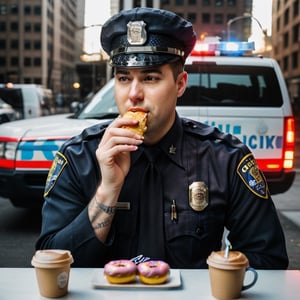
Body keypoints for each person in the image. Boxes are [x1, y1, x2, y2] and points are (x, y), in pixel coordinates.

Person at [36, 7, 289, 269]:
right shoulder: (79, 157)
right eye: (124, 78)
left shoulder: (225, 158)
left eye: (150, 78)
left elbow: (268, 259)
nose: (133, 94)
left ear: (180, 84)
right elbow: (50, 261)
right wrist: (107, 190)